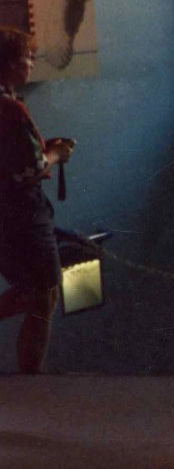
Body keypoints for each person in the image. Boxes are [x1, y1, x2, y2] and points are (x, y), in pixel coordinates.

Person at [0, 27, 76, 374]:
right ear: (11, 63)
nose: (31, 63)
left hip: (7, 214)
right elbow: (30, 169)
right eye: (28, 57)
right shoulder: (11, 109)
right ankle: (33, 382)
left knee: (38, 292)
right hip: (24, 212)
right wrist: (57, 154)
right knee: (43, 294)